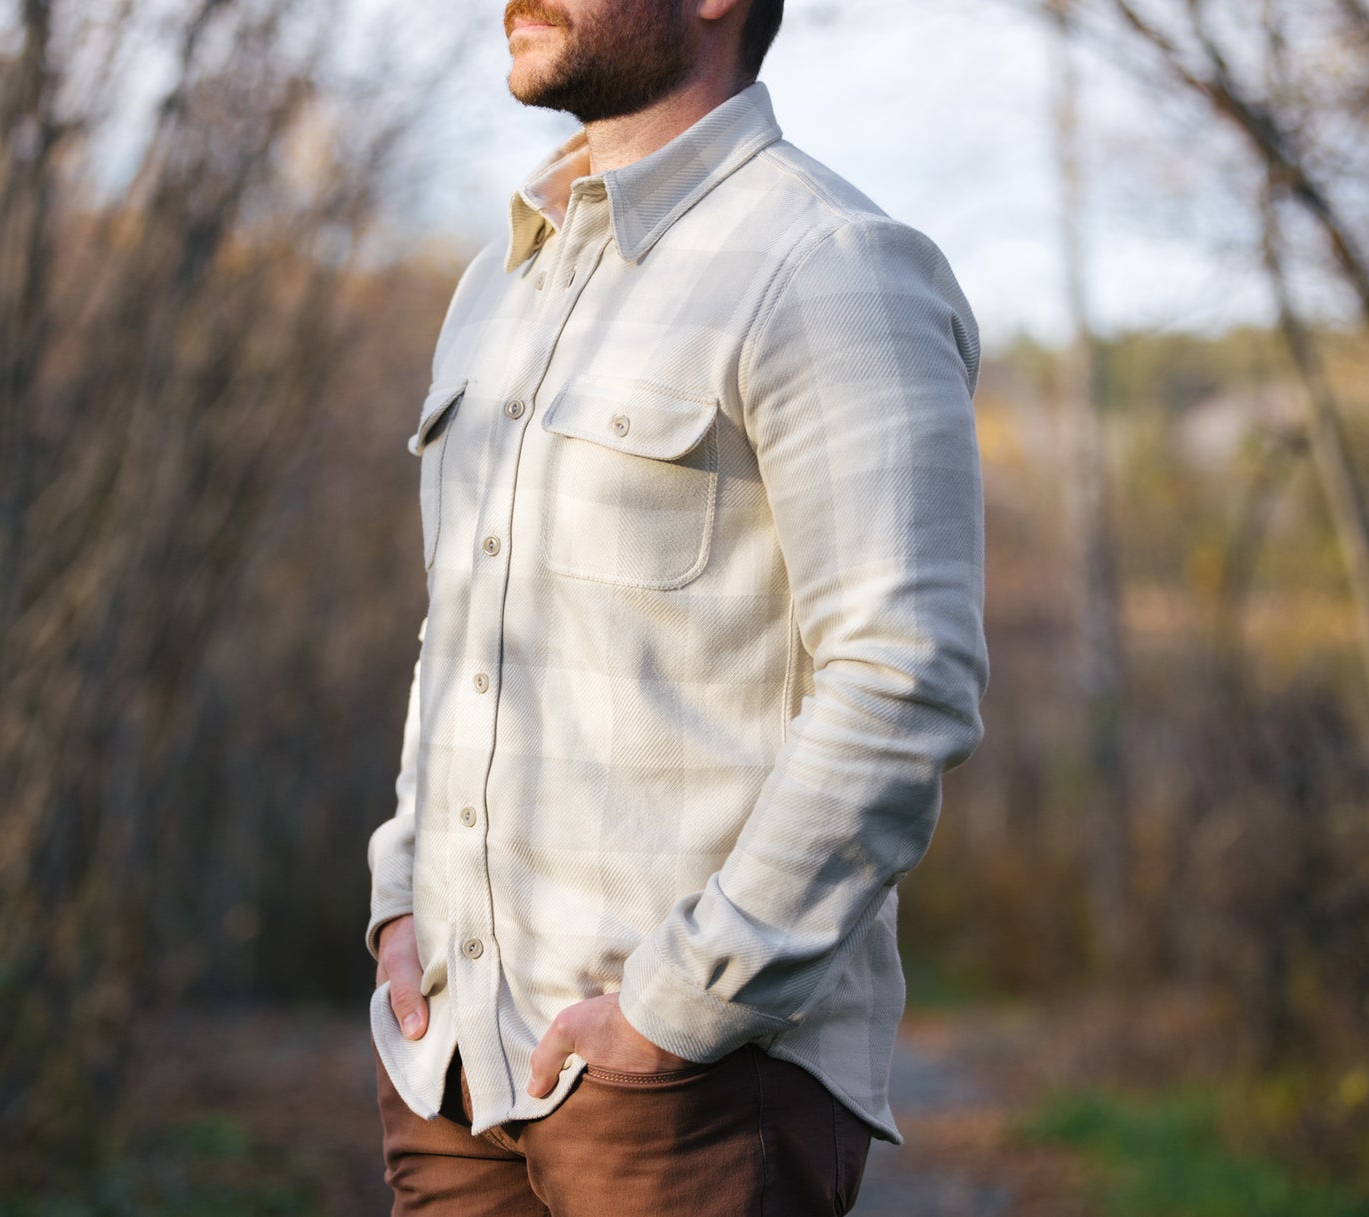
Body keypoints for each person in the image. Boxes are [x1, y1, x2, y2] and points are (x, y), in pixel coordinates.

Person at [366, 0, 987, 1210]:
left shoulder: (828, 266)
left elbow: (900, 685)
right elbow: (461, 628)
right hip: (448, 1071)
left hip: (686, 1098)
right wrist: (401, 901)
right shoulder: (498, 277)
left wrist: (675, 1010)